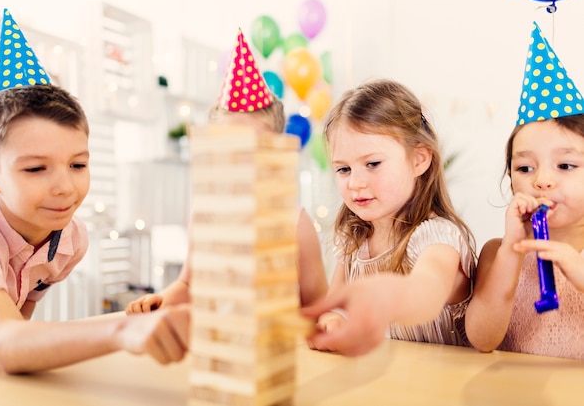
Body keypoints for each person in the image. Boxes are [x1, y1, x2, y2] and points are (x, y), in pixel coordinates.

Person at [0, 9, 189, 374]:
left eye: (78, 165)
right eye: (36, 168)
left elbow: (19, 324)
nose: (66, 187)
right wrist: (121, 329)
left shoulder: (68, 241)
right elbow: (6, 343)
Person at [125, 29, 328, 314]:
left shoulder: (294, 222)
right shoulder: (204, 213)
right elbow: (188, 283)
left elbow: (318, 304)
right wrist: (161, 300)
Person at [301, 78, 476, 356]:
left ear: (419, 159)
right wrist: (332, 323)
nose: (355, 183)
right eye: (344, 169)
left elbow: (427, 293)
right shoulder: (354, 242)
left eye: (372, 164)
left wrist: (386, 295)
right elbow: (334, 307)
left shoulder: (438, 237)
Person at [465, 22, 584, 360]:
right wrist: (511, 253)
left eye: (565, 165)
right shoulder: (496, 253)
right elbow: (482, 339)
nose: (542, 180)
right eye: (525, 168)